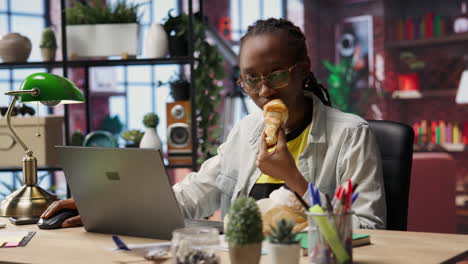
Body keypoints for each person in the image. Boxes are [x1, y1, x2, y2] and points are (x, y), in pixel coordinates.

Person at [41, 18, 386, 229]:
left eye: (277, 75)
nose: (264, 91)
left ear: (304, 68)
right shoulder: (246, 132)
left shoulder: (350, 135)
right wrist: (107, 206)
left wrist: (294, 179)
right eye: (251, 79)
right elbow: (191, 196)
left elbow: (370, 228)